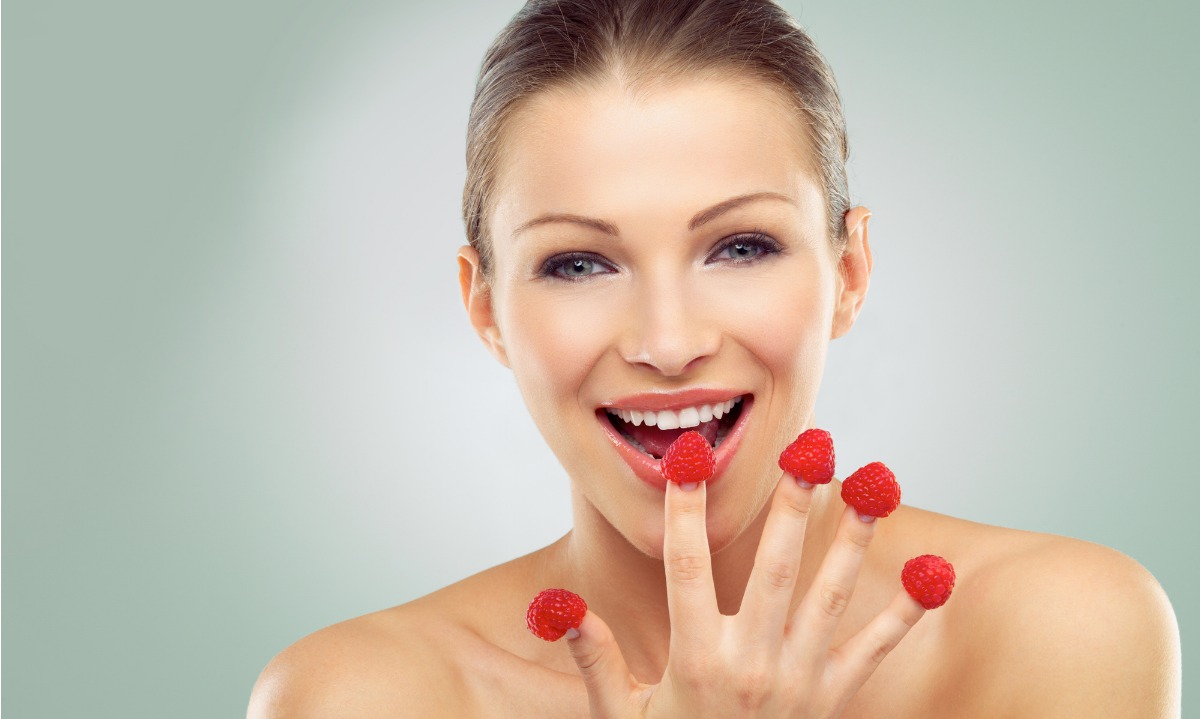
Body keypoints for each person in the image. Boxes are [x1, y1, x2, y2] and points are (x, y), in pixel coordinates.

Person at [247, 1, 1181, 716]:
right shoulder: (362, 695)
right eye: (579, 263)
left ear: (849, 272)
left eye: (740, 247)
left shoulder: (1057, 630)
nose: (669, 342)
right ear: (485, 307)